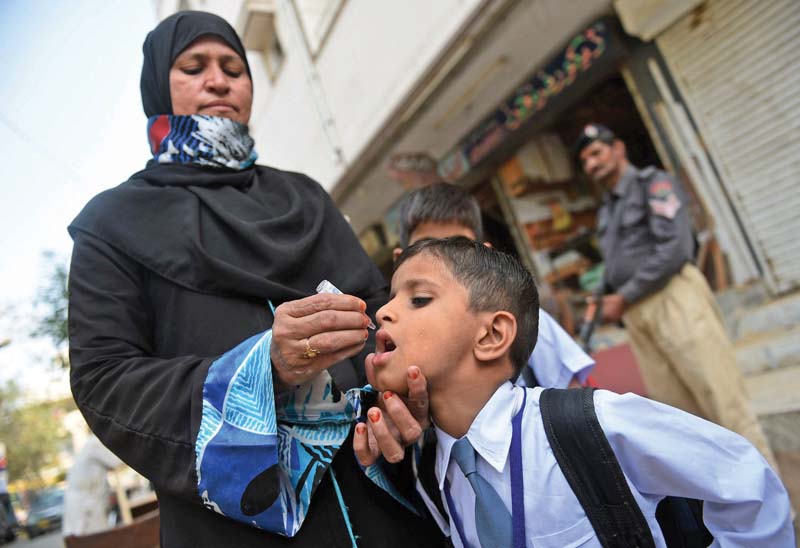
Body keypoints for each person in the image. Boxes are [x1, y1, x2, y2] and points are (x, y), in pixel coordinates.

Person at [67, 11, 442, 547]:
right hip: (232, 529)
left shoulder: (305, 198)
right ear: (157, 87)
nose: (218, 80)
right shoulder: (114, 223)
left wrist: (400, 392)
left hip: (381, 499)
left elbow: (384, 319)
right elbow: (104, 380)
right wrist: (259, 370)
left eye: (233, 68)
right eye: (194, 66)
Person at [369, 236, 793, 547]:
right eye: (389, 299)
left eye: (419, 299)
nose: (384, 311)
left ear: (492, 335)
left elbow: (746, 484)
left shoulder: (586, 425)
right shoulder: (433, 474)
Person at [575, 123, 778, 471]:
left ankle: (776, 516)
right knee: (685, 418)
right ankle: (733, 515)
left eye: (597, 152)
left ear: (619, 149)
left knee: (724, 402)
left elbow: (675, 246)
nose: (592, 164)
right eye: (585, 160)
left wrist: (623, 297)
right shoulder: (607, 211)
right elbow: (615, 264)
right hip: (638, 315)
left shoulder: (652, 183)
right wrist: (604, 299)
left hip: (673, 300)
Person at [394, 182, 594, 389]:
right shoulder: (392, 345)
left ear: (485, 256)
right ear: (399, 260)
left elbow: (574, 404)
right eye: (426, 246)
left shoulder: (525, 322)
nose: (442, 261)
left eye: (459, 246)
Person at [62, 435, 123, 536]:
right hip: (85, 504)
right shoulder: (95, 443)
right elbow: (117, 461)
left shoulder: (93, 444)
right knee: (96, 540)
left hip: (87, 502)